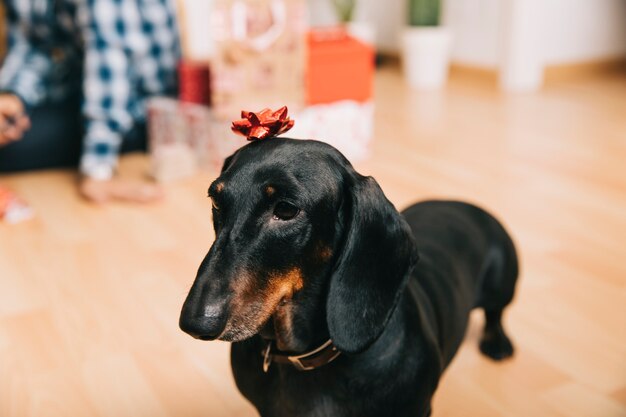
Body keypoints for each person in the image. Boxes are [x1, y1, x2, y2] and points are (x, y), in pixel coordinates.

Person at [0, 0, 180, 203]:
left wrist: (99, 170)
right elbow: (35, 45)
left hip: (138, 110)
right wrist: (12, 96)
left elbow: (109, 64)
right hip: (79, 91)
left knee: (9, 153)